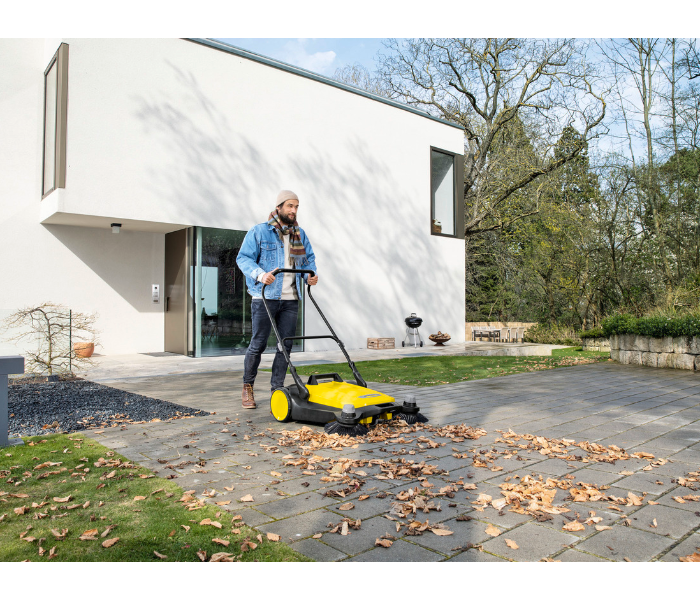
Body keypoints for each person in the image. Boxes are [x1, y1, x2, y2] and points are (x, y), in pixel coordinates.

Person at [235, 190, 318, 409]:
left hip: (291, 299)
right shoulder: (260, 232)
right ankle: (247, 387)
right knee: (258, 344)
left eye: (297, 207)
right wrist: (261, 274)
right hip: (265, 297)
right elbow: (243, 258)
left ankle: (277, 389)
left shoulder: (299, 234)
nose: (294, 210)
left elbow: (309, 258)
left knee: (285, 346)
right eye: (290, 206)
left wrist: (311, 274)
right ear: (279, 207)